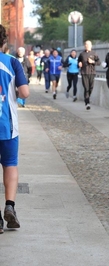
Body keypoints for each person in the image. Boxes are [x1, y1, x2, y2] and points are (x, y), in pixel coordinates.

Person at [0, 24, 30, 233]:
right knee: (10, 164)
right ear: (4, 42)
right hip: (7, 126)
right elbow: (25, 92)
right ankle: (10, 206)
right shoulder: (11, 62)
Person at [78, 40, 100, 110]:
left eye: (88, 45)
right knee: (86, 88)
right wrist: (79, 64)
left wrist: (92, 61)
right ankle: (87, 102)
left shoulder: (94, 53)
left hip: (92, 72)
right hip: (84, 72)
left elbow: (98, 62)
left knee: (91, 87)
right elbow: (78, 61)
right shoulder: (82, 54)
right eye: (86, 45)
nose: (87, 46)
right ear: (84, 46)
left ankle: (87, 98)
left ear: (91, 46)